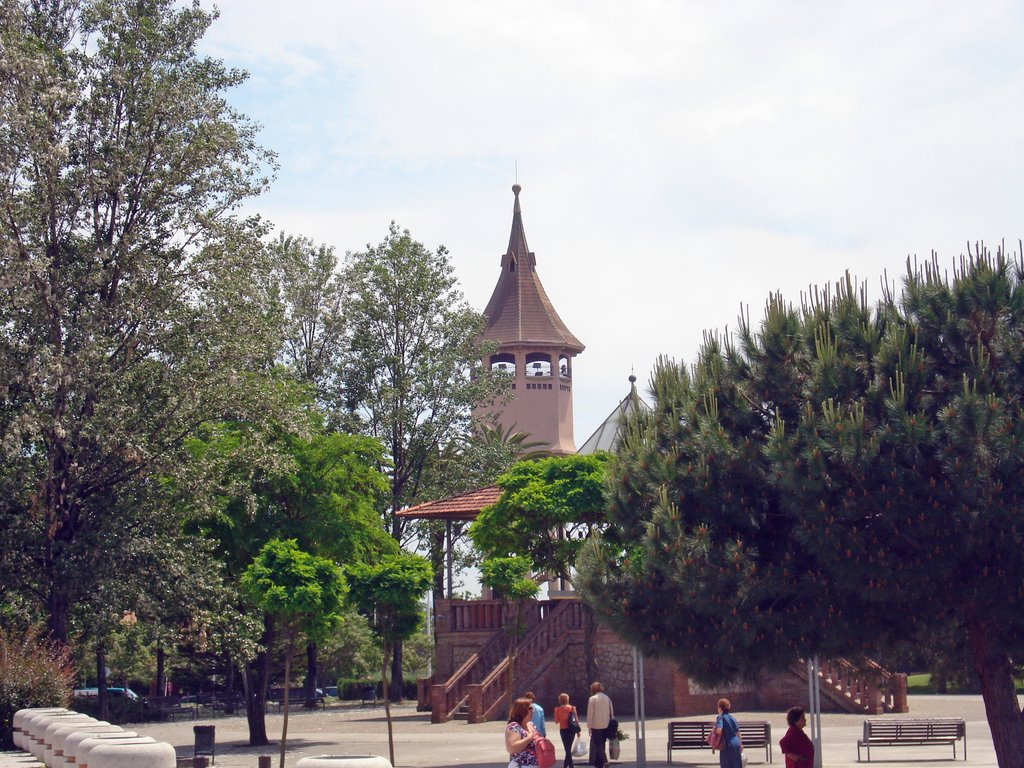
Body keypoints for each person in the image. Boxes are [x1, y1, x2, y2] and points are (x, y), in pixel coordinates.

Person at [506, 696, 541, 768]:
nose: (533, 711)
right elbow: (511, 748)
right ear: (523, 710)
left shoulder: (531, 725)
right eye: (530, 708)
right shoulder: (514, 726)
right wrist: (528, 739)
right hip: (521, 765)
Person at [586, 681, 614, 768]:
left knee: (598, 745)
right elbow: (611, 711)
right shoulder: (607, 698)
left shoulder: (592, 699)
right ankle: (598, 764)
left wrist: (589, 727)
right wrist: (612, 721)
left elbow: (590, 714)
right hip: (606, 724)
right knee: (602, 744)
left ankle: (605, 761)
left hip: (596, 725)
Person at [712, 698, 743, 768]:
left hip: (726, 746)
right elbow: (738, 732)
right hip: (736, 744)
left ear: (720, 708)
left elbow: (719, 730)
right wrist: (741, 744)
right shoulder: (732, 718)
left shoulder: (720, 718)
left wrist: (715, 729)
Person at [553, 692, 580, 768]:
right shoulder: (572, 708)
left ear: (560, 700)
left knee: (567, 748)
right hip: (572, 729)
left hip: (563, 730)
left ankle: (570, 766)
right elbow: (576, 720)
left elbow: (556, 721)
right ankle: (567, 765)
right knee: (568, 748)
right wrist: (578, 731)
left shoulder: (557, 709)